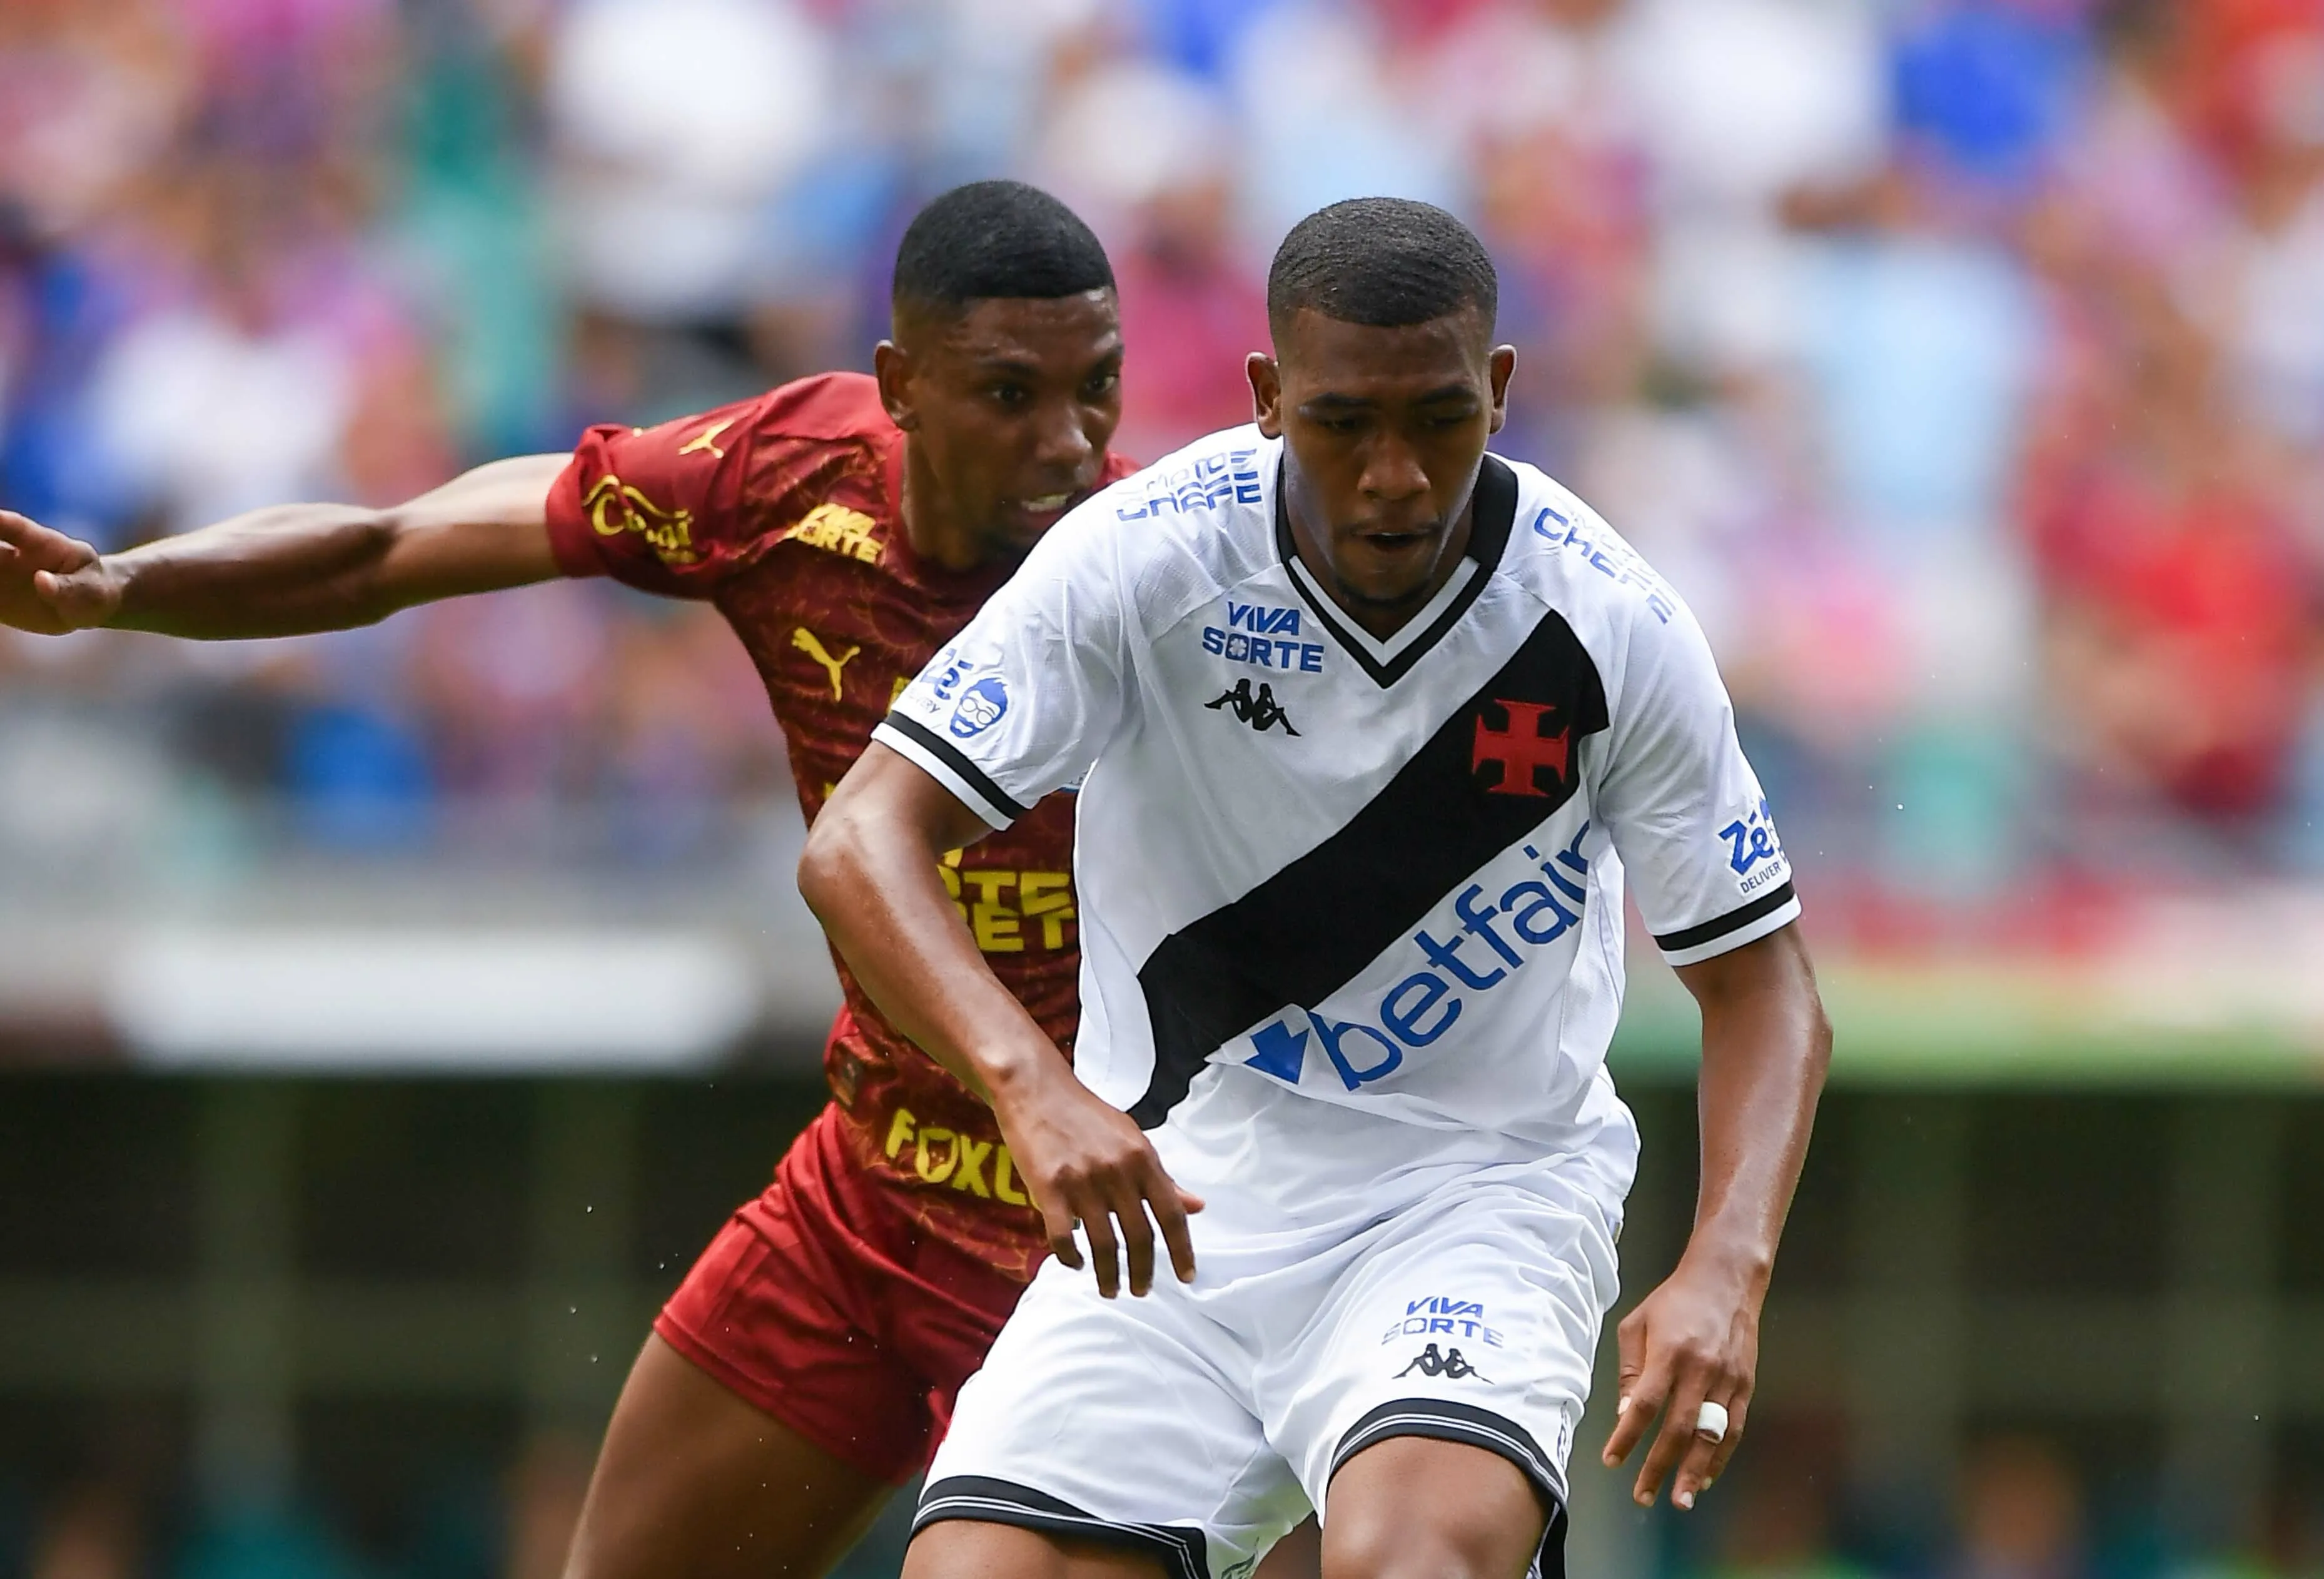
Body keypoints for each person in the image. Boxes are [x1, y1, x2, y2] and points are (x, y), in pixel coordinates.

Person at [0, 180, 1315, 1579]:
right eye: (1010, 393)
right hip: (870, 1201)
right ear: (900, 385)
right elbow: (394, 545)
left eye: (1096, 389)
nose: (1067, 443)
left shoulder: (1172, 582)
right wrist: (119, 588)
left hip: (1101, 1245)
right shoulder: (779, 485)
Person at [802, 195, 1833, 1579]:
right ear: (1269, 396)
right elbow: (858, 840)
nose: (1396, 474)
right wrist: (1030, 1086)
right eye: (1345, 422)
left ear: (1502, 392)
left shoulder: (1605, 619)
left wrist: (1726, 1263)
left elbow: (1762, 983)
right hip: (1176, 1205)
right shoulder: (1142, 556)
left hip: (1472, 1191)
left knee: (1411, 1559)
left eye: (1438, 418)